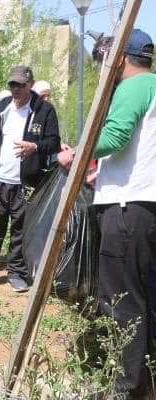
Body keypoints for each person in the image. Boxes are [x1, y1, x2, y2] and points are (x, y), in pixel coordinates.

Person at [65, 29, 155, 398]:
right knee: (145, 295)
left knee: (123, 301)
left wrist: (79, 153)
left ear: (119, 59)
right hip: (147, 205)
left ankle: (127, 390)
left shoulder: (132, 87)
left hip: (127, 207)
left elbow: (116, 135)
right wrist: (103, 168)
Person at [0, 65, 61, 292]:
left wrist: (34, 146)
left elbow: (54, 143)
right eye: (12, 84)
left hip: (26, 183)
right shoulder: (2, 108)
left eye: (20, 84)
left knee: (21, 230)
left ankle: (17, 273)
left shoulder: (44, 110)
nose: (16, 89)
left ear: (30, 84)